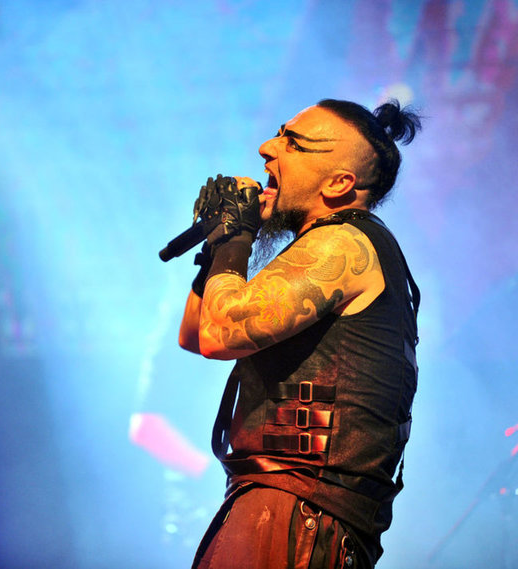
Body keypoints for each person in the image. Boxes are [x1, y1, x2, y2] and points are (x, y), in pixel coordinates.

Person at [177, 99, 422, 569]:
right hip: (284, 507)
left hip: (296, 515)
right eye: (278, 133)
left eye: (292, 143)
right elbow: (194, 334)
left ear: (339, 183)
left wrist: (236, 238)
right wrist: (217, 248)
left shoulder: (342, 243)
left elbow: (219, 333)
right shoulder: (332, 243)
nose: (266, 148)